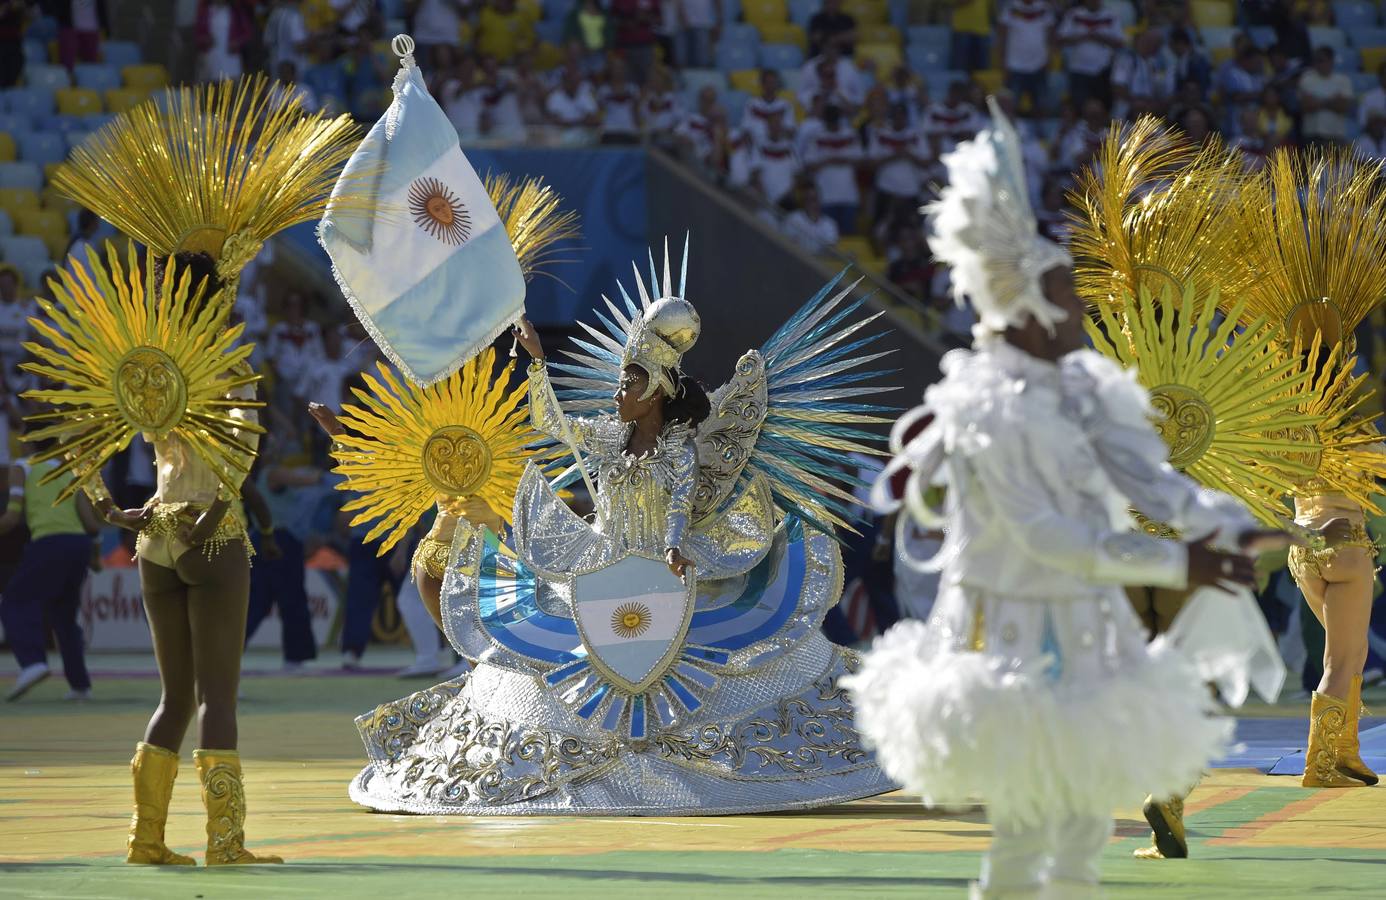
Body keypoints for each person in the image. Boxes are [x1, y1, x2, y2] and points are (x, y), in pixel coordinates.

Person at [844, 103, 1274, 899]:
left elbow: (1149, 479)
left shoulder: (1081, 387)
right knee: (1024, 827)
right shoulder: (985, 410)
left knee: (1078, 828)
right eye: (1065, 295)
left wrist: (1235, 525)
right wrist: (1180, 559)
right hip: (1005, 638)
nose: (1082, 309)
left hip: (1086, 631)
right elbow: (1046, 535)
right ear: (1024, 310)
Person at [347, 241, 897, 814]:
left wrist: (676, 548)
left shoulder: (680, 448)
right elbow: (550, 421)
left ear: (657, 389)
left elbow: (681, 504)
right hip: (600, 569)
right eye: (619, 383)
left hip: (667, 569)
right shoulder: (606, 437)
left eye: (630, 383)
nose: (618, 392)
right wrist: (536, 361)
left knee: (736, 642)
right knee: (532, 639)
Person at [43, 76, 361, 866]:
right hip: (212, 536)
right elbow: (243, 445)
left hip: (152, 538)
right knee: (218, 699)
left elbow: (76, 433)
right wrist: (221, 509)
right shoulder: (226, 360)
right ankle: (226, 844)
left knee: (172, 699)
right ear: (222, 289)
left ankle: (146, 839)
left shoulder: (147, 363)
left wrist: (112, 508)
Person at [0, 440, 102, 701]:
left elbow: (11, 517)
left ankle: (33, 661)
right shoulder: (70, 471)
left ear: (26, 444)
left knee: (15, 601)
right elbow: (91, 525)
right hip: (78, 546)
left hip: (48, 542)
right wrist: (95, 557)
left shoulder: (22, 467)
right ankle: (80, 686)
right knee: (65, 616)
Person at [1056, 0, 1124, 108]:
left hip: (1103, 71)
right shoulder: (1074, 14)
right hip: (1078, 70)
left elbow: (1120, 43)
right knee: (1079, 107)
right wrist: (1082, 37)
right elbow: (1061, 39)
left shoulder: (1111, 15)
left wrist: (1100, 38)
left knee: (1102, 107)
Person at [998, 0, 1055, 115]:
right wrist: (1003, 62)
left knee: (1041, 107)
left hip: (1039, 64)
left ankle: (1041, 133)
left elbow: (1051, 37)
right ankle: (1008, 132)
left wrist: (1050, 58)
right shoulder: (1010, 8)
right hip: (1014, 65)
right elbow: (1002, 37)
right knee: (1010, 108)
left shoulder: (1044, 9)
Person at [1298, 46, 1354, 145]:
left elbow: (1343, 107)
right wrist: (1332, 101)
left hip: (1336, 136)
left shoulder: (1343, 81)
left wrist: (1317, 101)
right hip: (1312, 136)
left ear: (1331, 61)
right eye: (1316, 61)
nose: (1317, 64)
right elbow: (1306, 106)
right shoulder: (1306, 79)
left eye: (1321, 60)